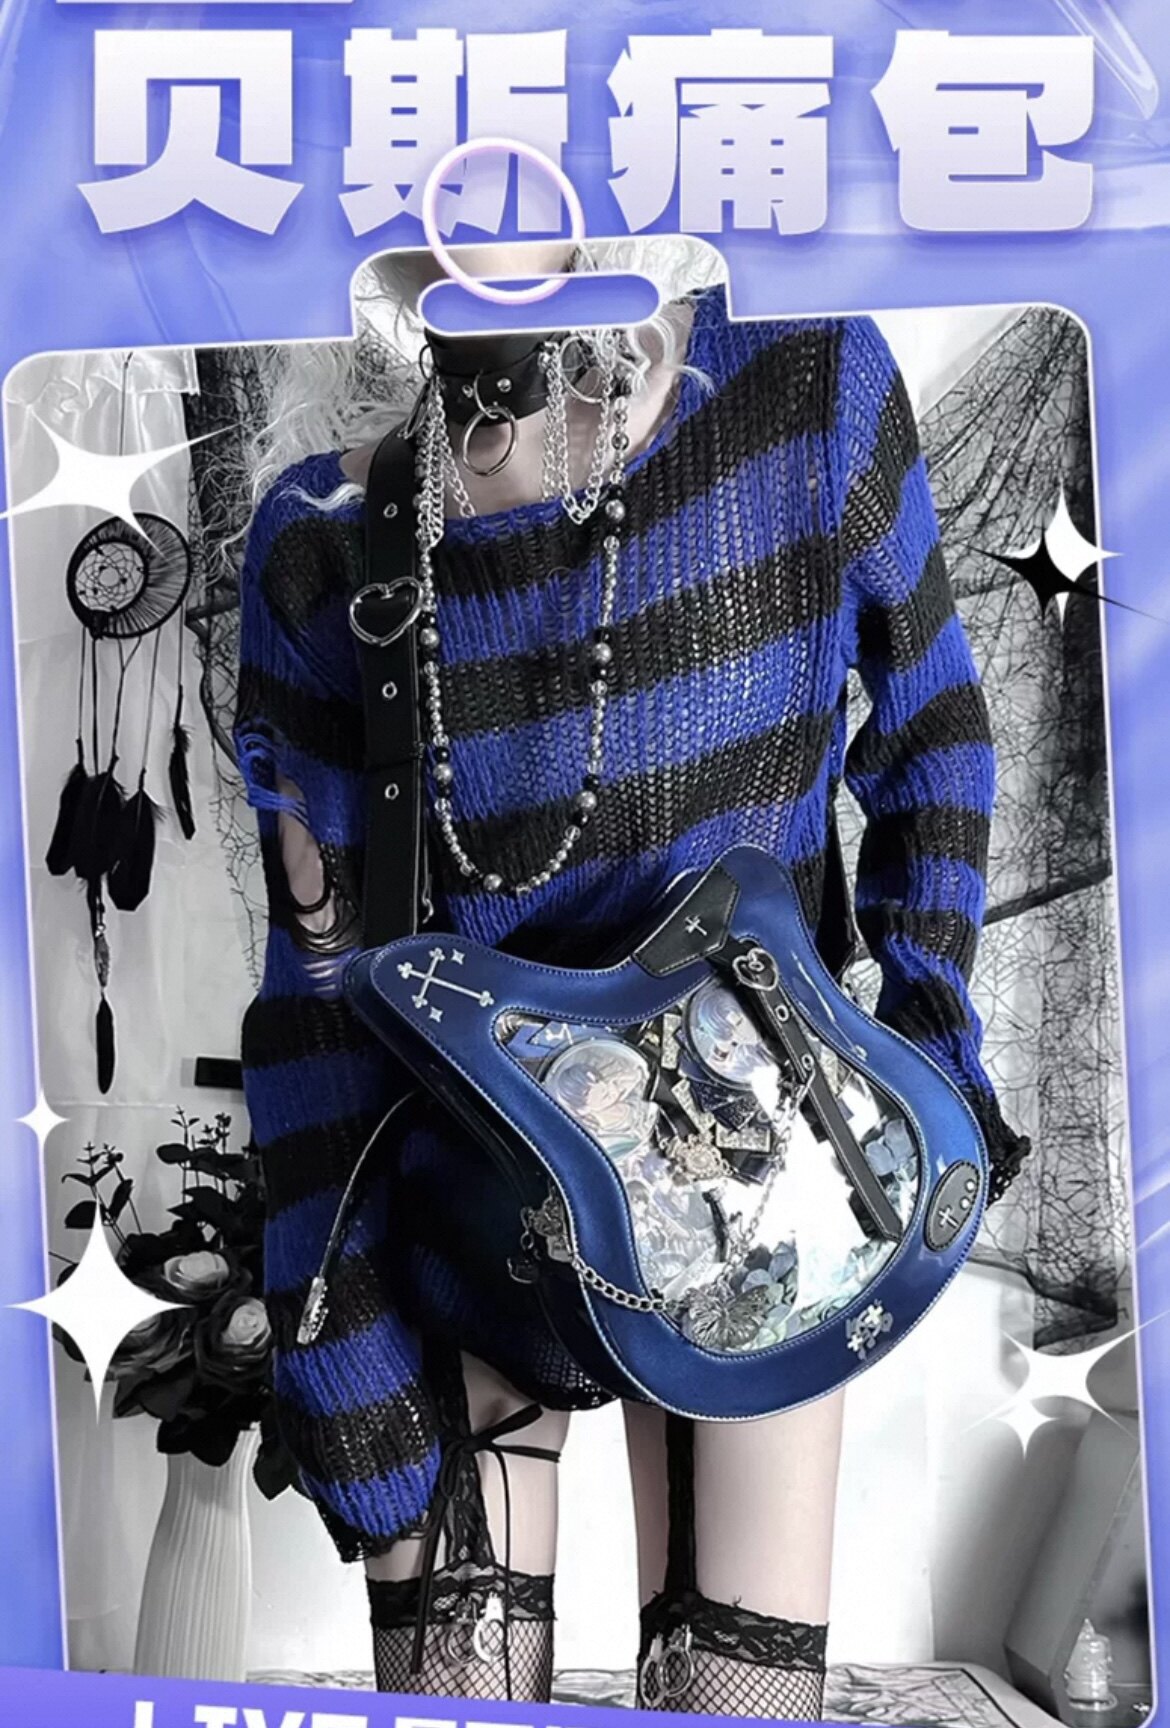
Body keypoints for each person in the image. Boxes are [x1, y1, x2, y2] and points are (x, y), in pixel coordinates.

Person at [232, 240, 1028, 1716]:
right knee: (455, 1685)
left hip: (759, 1202)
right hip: (469, 1217)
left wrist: (922, 1059)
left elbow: (937, 739)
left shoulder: (805, 383)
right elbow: (318, 989)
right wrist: (328, 1318)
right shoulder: (325, 534)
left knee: (737, 1693)